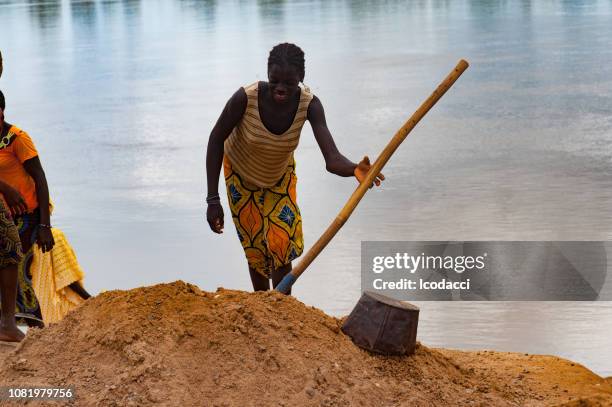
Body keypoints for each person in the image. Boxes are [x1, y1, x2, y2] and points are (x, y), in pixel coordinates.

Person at [206, 43, 384, 293]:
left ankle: (281, 306)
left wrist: (355, 168)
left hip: (279, 175)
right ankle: (261, 303)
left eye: (289, 83)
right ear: (267, 74)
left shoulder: (310, 105)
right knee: (256, 246)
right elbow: (215, 139)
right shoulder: (246, 98)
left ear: (301, 78)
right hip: (240, 173)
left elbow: (332, 159)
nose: (281, 88)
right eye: (275, 80)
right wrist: (212, 199)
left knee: (282, 240)